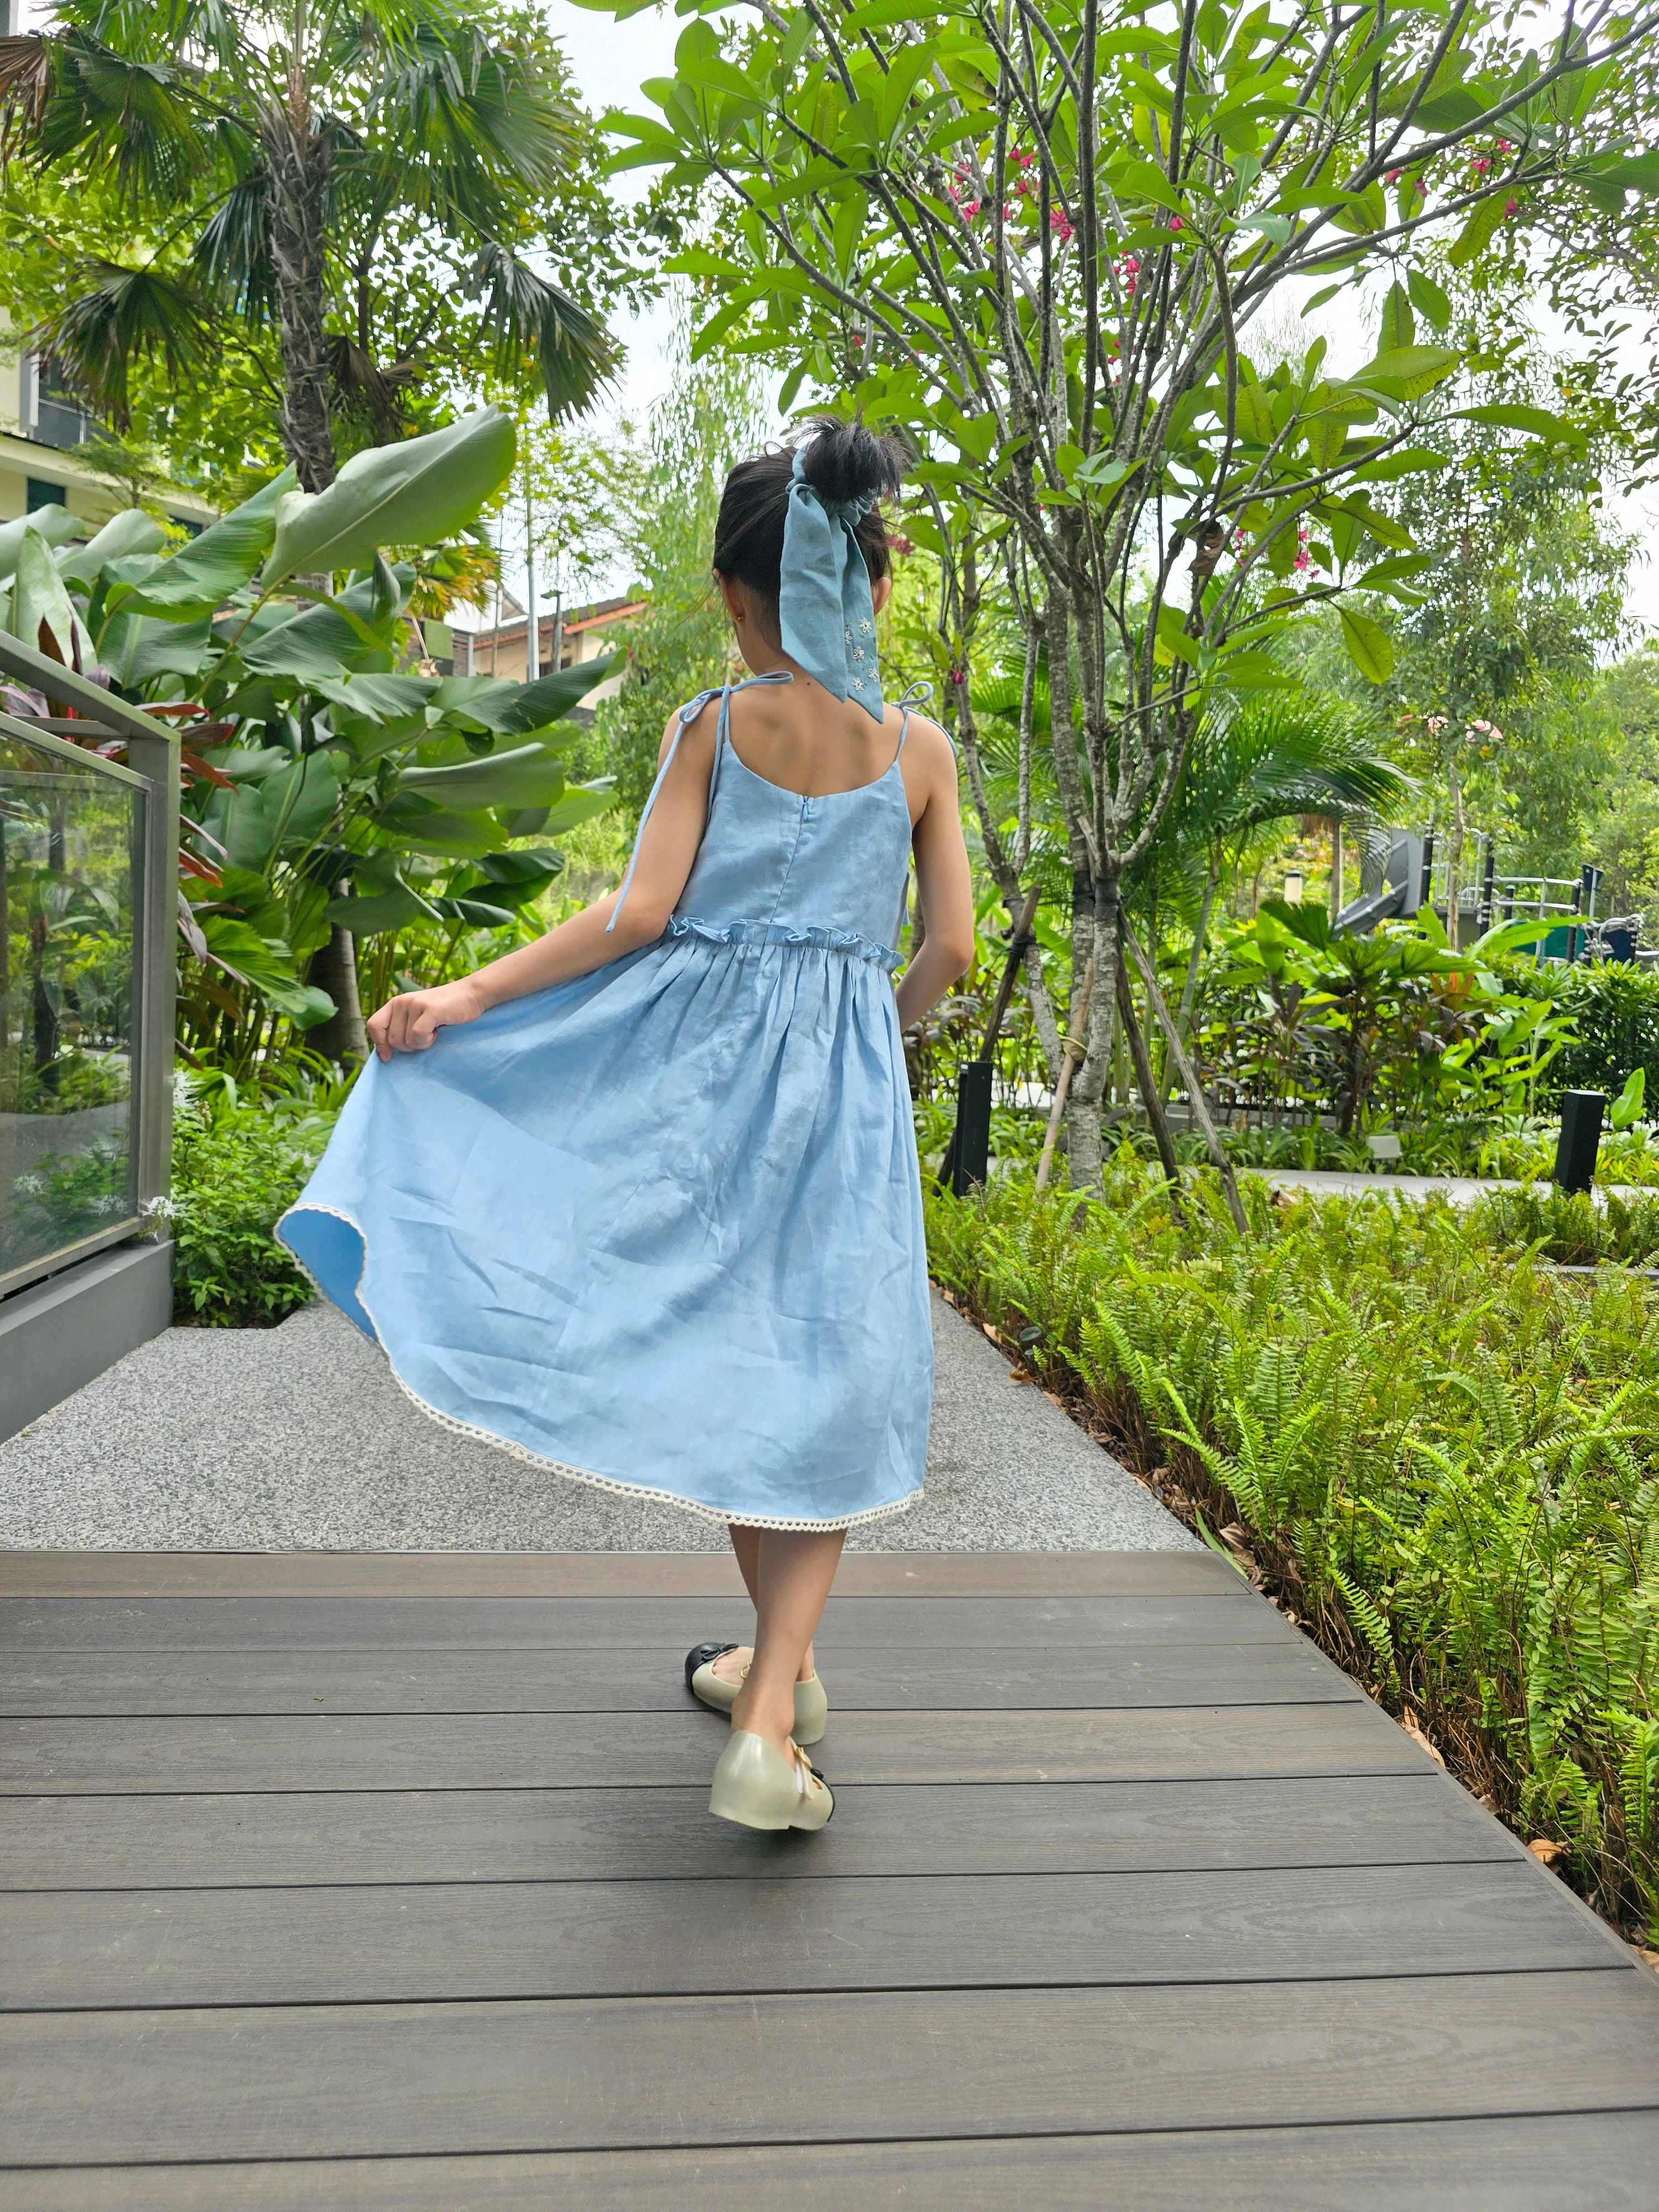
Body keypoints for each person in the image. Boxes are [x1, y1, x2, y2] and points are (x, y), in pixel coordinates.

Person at [278, 420, 975, 1833]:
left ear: (733, 595)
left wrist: (470, 994)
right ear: (877, 582)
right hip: (840, 1105)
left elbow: (640, 913)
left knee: (735, 1361)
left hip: (701, 1093)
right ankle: (776, 1697)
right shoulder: (919, 751)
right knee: (817, 1378)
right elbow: (952, 949)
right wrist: (868, 1027)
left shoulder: (713, 725)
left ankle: (772, 1694)